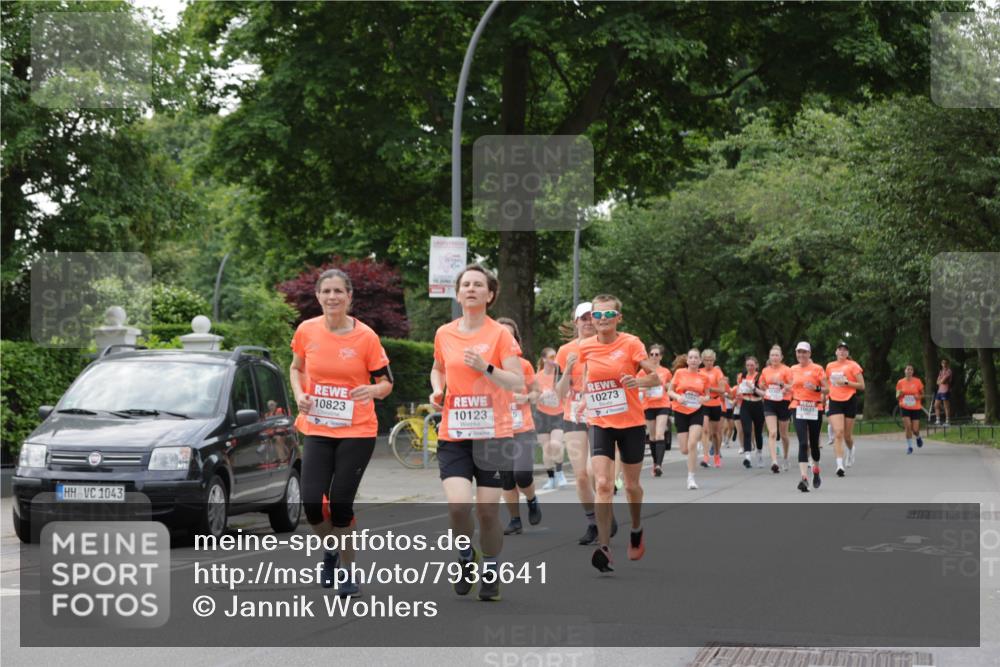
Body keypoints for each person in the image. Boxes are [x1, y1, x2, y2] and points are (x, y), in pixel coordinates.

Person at [290, 268, 393, 598]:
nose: (332, 297)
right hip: (318, 427)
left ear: (349, 297)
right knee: (310, 503)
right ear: (318, 296)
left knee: (339, 505)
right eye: (326, 291)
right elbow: (296, 368)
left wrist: (372, 392)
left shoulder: (366, 337)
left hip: (357, 429)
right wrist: (299, 396)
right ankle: (331, 550)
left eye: (339, 291)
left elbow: (387, 382)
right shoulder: (307, 331)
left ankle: (347, 570)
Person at [429, 264, 525, 602]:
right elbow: (438, 368)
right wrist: (437, 389)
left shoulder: (500, 334)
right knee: (458, 507)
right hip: (454, 432)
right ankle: (466, 557)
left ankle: (492, 568)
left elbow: (517, 381)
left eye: (477, 285)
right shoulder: (445, 333)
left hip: (493, 434)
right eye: (465, 284)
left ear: (490, 294)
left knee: (486, 512)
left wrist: (485, 367)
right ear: (458, 294)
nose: (470, 289)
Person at [577, 295, 662, 572]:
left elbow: (655, 377)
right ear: (592, 319)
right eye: (597, 315)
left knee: (631, 486)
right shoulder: (585, 347)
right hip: (600, 422)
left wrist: (636, 380)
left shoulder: (631, 343)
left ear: (618, 318)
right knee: (602, 483)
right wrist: (584, 400)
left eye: (608, 315)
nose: (602, 320)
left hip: (631, 422)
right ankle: (604, 547)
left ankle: (636, 528)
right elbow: (587, 378)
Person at [556, 302, 610, 546]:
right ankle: (593, 522)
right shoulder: (565, 350)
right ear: (575, 322)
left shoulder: (607, 346)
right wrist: (567, 371)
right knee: (580, 476)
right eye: (583, 318)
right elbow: (559, 393)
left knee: (593, 473)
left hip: (600, 414)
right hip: (574, 415)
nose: (588, 321)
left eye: (592, 317)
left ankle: (604, 514)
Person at [495, 318, 543, 535]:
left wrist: (526, 398)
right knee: (506, 478)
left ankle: (532, 499)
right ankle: (515, 520)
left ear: (515, 340)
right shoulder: (487, 366)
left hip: (522, 427)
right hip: (498, 430)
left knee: (522, 474)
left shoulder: (524, 365)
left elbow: (536, 392)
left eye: (510, 335)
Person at [667, 348, 712, 490]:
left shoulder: (704, 377)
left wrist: (703, 398)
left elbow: (708, 396)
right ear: (687, 361)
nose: (693, 360)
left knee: (692, 443)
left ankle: (691, 477)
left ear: (700, 361)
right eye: (691, 357)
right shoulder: (680, 373)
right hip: (680, 411)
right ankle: (693, 449)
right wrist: (678, 397)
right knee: (684, 449)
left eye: (695, 358)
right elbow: (670, 390)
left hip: (696, 411)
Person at [789, 342, 828, 492]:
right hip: (798, 407)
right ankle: (804, 478)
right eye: (799, 352)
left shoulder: (817, 369)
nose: (801, 355)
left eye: (804, 352)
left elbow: (828, 390)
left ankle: (816, 470)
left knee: (813, 444)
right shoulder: (792, 369)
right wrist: (784, 387)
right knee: (802, 443)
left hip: (814, 408)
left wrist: (816, 388)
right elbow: (789, 386)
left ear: (809, 354)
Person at [826, 341, 865, 477]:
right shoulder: (830, 366)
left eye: (845, 350)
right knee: (838, 433)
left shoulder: (853, 366)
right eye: (839, 350)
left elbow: (862, 386)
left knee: (847, 436)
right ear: (836, 352)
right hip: (835, 400)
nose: (842, 352)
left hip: (849, 400)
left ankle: (850, 448)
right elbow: (827, 384)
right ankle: (839, 465)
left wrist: (847, 382)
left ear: (847, 353)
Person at [534, 347, 567, 490]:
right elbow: (533, 397)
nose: (554, 360)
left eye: (556, 357)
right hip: (542, 415)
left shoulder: (559, 374)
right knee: (546, 449)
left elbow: (566, 392)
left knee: (556, 444)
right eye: (551, 357)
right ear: (544, 359)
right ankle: (551, 478)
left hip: (558, 414)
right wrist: (541, 397)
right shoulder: (537, 376)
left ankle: (560, 473)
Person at [639, 344, 673, 477]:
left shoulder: (665, 372)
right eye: (651, 354)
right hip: (648, 405)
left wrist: (667, 387)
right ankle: (655, 463)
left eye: (656, 354)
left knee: (660, 435)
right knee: (652, 437)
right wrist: (645, 388)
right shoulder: (642, 372)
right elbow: (636, 386)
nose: (654, 356)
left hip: (663, 404)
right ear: (648, 355)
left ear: (661, 357)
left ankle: (659, 465)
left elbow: (670, 387)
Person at [759, 345, 793, 473]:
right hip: (770, 402)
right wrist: (762, 385)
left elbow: (792, 386)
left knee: (784, 435)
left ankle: (785, 457)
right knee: (772, 433)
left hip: (784, 402)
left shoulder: (787, 370)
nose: (774, 357)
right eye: (772, 355)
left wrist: (782, 385)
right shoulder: (765, 370)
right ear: (769, 357)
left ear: (781, 357)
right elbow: (761, 384)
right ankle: (774, 462)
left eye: (777, 355)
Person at [699, 349, 727, 468]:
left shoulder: (717, 372)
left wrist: (709, 388)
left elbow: (722, 390)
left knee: (716, 433)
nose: (709, 362)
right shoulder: (699, 371)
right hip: (703, 403)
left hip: (715, 403)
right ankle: (705, 456)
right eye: (706, 360)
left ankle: (716, 455)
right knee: (705, 430)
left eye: (711, 360)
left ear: (714, 360)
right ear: (702, 360)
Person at [737, 356, 765, 468]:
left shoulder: (760, 376)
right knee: (747, 430)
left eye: (752, 365)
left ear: (756, 365)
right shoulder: (741, 376)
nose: (750, 367)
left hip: (757, 404)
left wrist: (753, 387)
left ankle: (759, 453)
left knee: (758, 432)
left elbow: (763, 391)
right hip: (745, 404)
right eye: (748, 365)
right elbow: (739, 388)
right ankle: (747, 456)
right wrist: (740, 390)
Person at [896, 364, 926, 454]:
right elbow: (897, 396)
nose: (909, 371)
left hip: (915, 407)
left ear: (913, 372)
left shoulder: (918, 381)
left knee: (915, 429)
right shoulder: (900, 382)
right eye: (908, 369)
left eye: (911, 370)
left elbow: (923, 394)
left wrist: (919, 397)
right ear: (905, 371)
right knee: (908, 426)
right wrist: (900, 394)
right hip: (904, 406)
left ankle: (918, 437)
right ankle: (909, 447)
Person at [934, 359, 952, 426]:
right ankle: (938, 420)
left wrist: (940, 381)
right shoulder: (941, 371)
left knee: (946, 406)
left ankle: (947, 421)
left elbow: (943, 381)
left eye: (945, 363)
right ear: (941, 364)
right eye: (942, 363)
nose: (944, 364)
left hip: (945, 390)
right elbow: (937, 382)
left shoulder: (949, 371)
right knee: (936, 405)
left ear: (947, 364)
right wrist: (940, 381)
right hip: (939, 390)